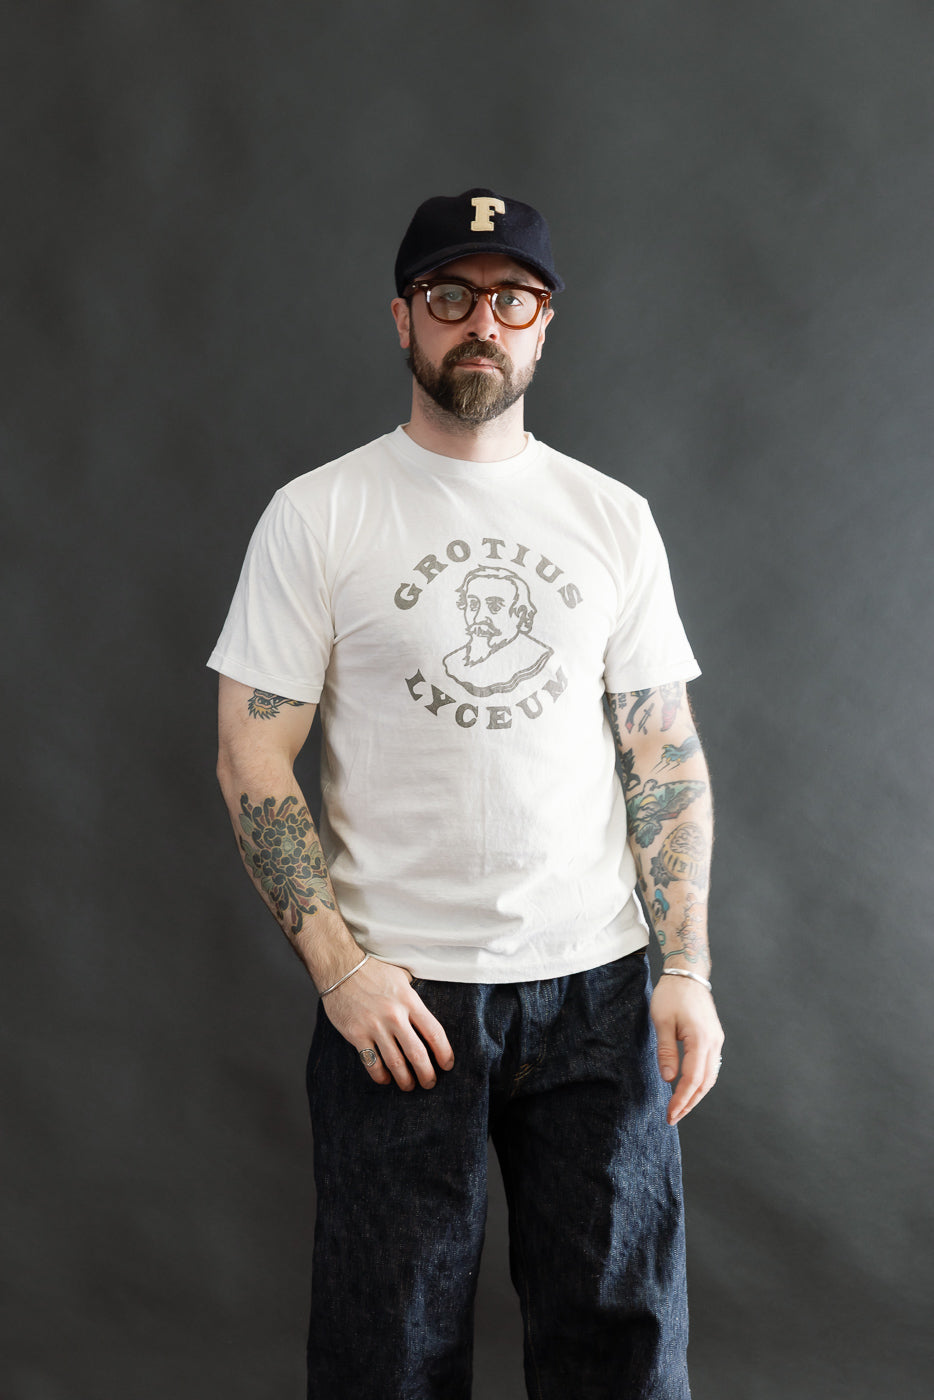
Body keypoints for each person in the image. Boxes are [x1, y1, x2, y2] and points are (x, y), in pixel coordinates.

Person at [209, 187, 724, 1400]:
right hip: (400, 1002)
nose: (479, 322)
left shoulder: (610, 517)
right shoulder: (318, 514)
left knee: (624, 1345)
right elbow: (249, 755)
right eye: (449, 297)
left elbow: (663, 752)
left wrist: (687, 969)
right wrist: (340, 966)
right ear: (403, 320)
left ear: (545, 326)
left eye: (510, 299)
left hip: (599, 988)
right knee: (386, 1355)